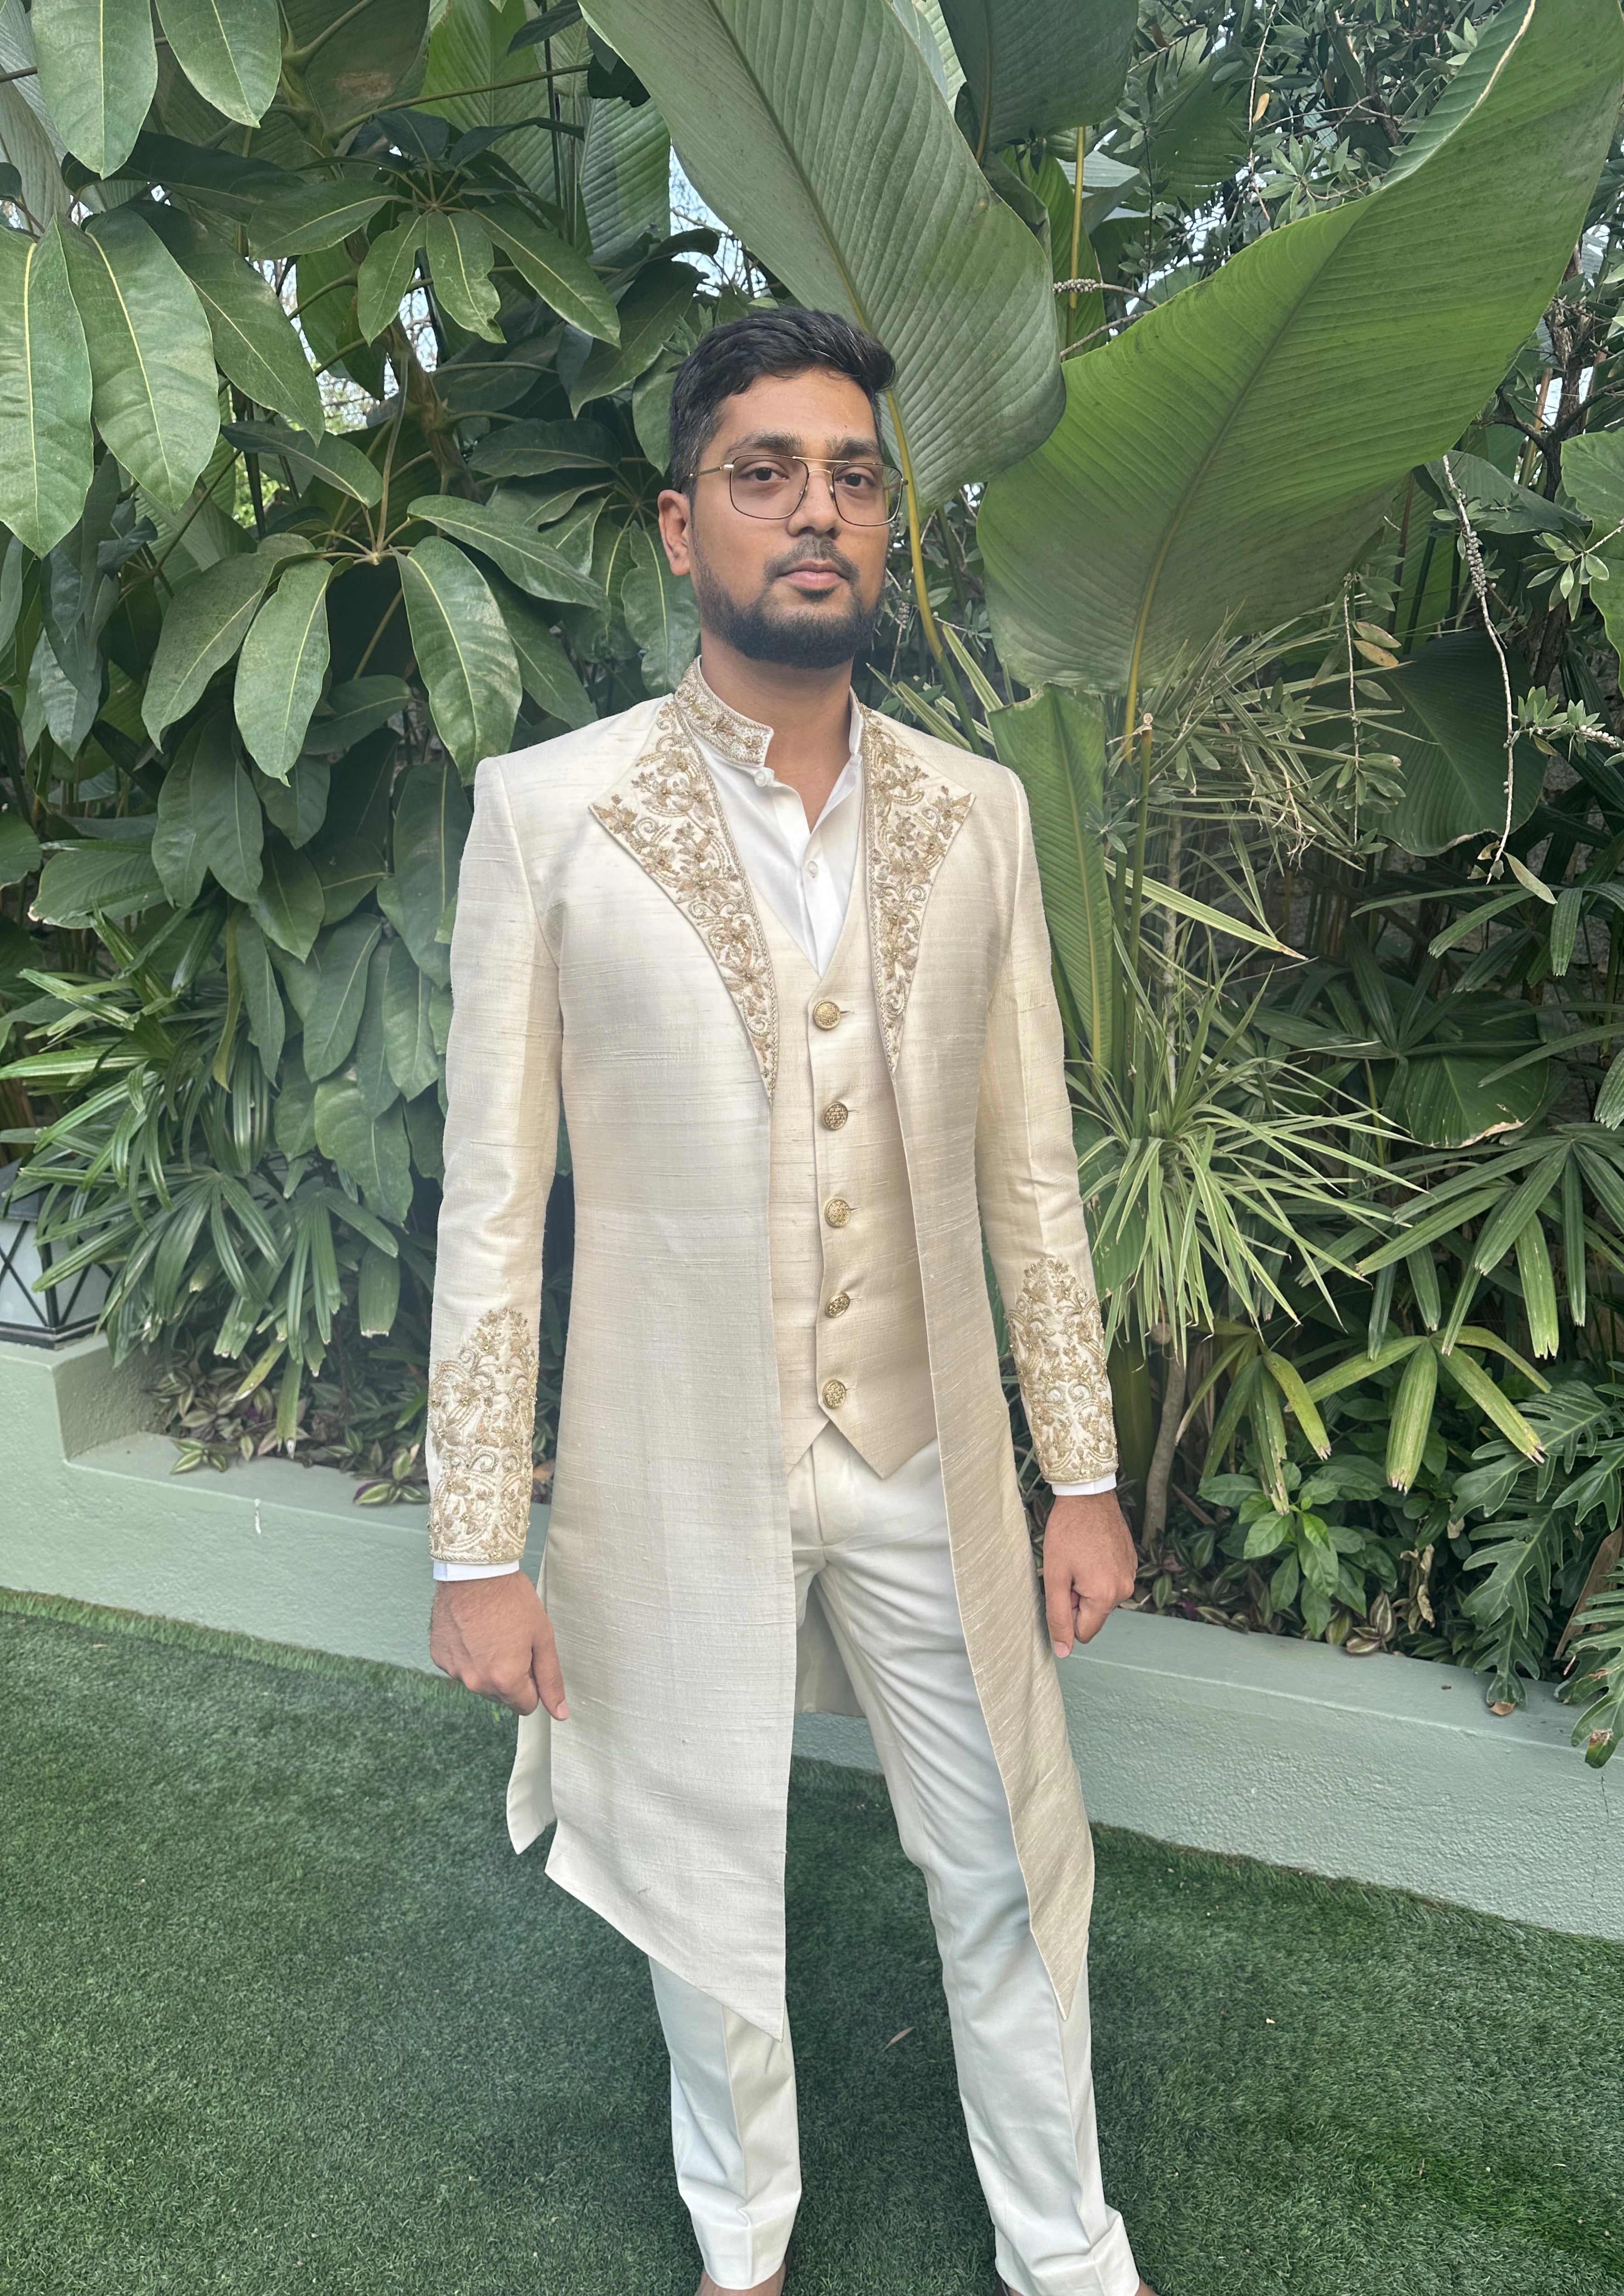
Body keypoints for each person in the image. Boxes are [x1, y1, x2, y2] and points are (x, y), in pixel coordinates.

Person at [425, 307, 1152, 2296]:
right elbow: (494, 1201)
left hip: (927, 1459)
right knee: (699, 1881)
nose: (812, 512)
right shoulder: (546, 815)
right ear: (681, 528)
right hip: (678, 1471)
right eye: (763, 474)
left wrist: (1075, 1471)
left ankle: (1064, 2244)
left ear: (885, 526)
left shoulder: (975, 812)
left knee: (1008, 1853)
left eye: (850, 476)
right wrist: (476, 1538)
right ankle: (739, 2241)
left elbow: (1026, 1165)